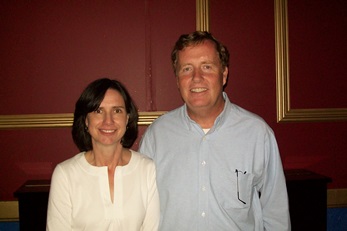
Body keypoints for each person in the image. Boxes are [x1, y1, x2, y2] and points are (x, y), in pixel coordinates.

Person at [139, 31, 290, 230]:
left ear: (224, 74)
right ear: (177, 80)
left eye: (207, 67)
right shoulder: (156, 136)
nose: (196, 78)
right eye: (186, 69)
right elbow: (140, 209)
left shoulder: (257, 134)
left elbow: (275, 213)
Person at [47, 78, 160, 230]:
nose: (108, 121)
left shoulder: (147, 169)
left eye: (117, 111)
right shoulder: (66, 174)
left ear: (127, 118)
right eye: (98, 111)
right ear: (86, 120)